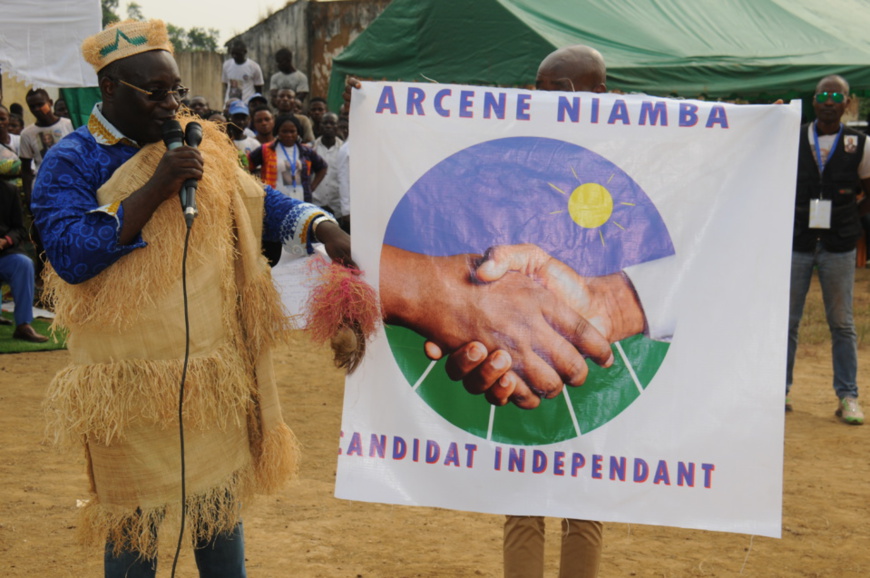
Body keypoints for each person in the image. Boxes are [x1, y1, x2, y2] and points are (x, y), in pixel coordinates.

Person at [31, 19, 351, 576]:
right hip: (124, 385)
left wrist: (323, 228)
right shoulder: (71, 160)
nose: (171, 103)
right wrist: (157, 188)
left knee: (217, 514)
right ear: (110, 89)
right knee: (135, 530)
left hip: (209, 372)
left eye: (175, 90)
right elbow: (70, 254)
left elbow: (258, 201)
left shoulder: (195, 142)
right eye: (155, 92)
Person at [787, 74, 870, 425]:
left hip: (838, 245)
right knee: (786, 322)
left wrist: (850, 220)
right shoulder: (791, 137)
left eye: (838, 95)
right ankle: (780, 391)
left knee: (842, 323)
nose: (830, 101)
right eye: (824, 95)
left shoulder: (860, 144)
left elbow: (867, 193)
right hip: (798, 242)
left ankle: (848, 396)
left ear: (847, 103)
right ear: (814, 100)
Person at [0, 179, 48, 342]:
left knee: (24, 264)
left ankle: (23, 326)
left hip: (5, 253)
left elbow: (19, 228)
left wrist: (6, 240)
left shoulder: (9, 190)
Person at [249, 114, 326, 204]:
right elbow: (247, 164)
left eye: (292, 131)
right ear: (278, 132)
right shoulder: (266, 149)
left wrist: (311, 187)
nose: (289, 135)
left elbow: (322, 167)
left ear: (298, 132)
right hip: (275, 202)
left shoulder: (306, 150)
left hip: (301, 201)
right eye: (284, 131)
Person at [311, 112, 343, 215]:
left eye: (332, 123)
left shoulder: (344, 150)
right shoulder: (310, 149)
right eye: (325, 123)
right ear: (320, 126)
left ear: (338, 127)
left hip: (338, 206)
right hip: (315, 204)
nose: (328, 126)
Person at [222, 39, 264, 104]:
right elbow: (226, 85)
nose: (234, 56)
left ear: (245, 52)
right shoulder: (226, 65)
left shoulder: (254, 67)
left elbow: (258, 89)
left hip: (247, 105)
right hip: (230, 104)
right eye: (232, 53)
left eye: (237, 53)